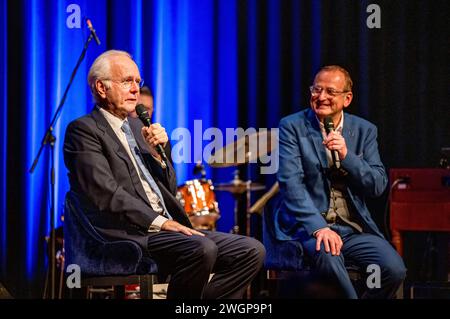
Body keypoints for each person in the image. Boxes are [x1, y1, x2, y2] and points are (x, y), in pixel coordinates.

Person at [63, 50, 265, 299]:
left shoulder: (139, 127)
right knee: (201, 249)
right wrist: (160, 222)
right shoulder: (83, 131)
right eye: (127, 81)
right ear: (101, 88)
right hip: (123, 235)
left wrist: (160, 156)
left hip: (163, 229)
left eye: (138, 82)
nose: (136, 89)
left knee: (251, 250)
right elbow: (105, 192)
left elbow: (168, 188)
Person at [274, 65, 406, 298]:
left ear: (347, 98)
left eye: (330, 92)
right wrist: (319, 228)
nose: (321, 97)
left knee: (393, 269)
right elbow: (291, 185)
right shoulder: (292, 126)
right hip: (308, 228)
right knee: (329, 257)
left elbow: (376, 185)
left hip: (352, 229)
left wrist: (347, 157)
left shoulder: (364, 130)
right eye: (316, 90)